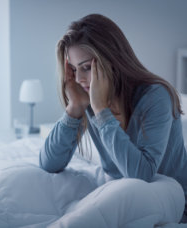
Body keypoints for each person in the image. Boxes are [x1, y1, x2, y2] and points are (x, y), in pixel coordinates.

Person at [39, 14, 187, 223]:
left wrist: (101, 111)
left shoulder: (156, 96)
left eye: (87, 67)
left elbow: (141, 175)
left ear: (111, 60)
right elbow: (48, 163)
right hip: (124, 199)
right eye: (73, 70)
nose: (79, 79)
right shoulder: (88, 98)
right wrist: (75, 107)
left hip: (176, 205)